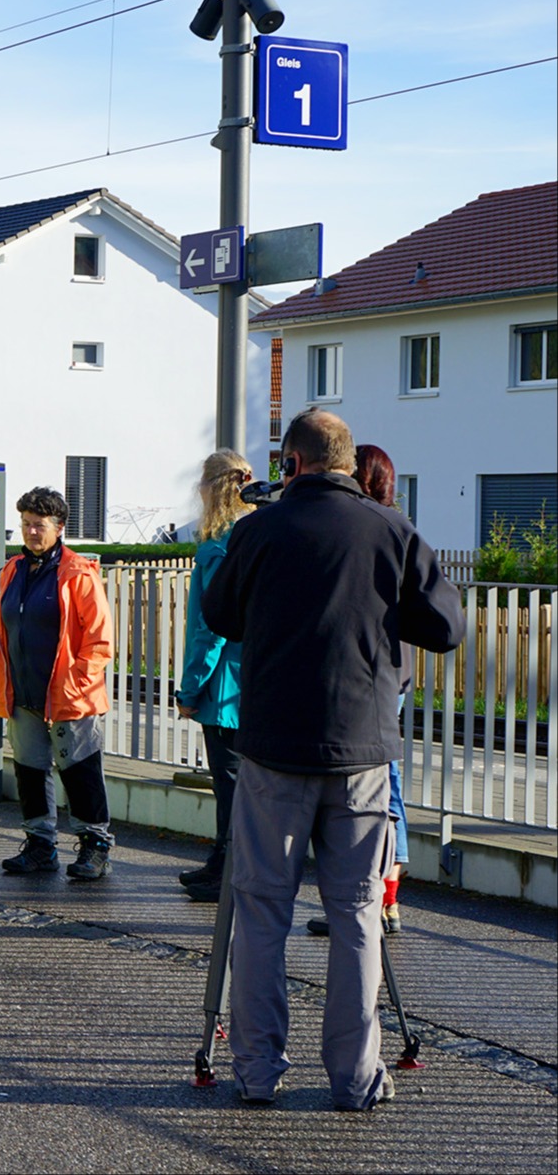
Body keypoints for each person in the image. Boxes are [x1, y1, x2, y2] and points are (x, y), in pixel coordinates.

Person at [202, 408, 463, 1111]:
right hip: (359, 756)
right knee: (353, 914)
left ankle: (255, 1072)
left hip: (272, 752)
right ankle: (354, 1079)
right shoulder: (391, 531)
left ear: (291, 464)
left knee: (261, 912)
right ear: (348, 464)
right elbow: (446, 626)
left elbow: (220, 613)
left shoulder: (257, 530)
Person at [308, 443, 415, 936]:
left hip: (370, 678)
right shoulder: (396, 532)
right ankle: (381, 899)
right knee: (386, 788)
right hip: (389, 673)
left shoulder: (366, 530)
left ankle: (376, 902)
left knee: (380, 791)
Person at [0, 487, 116, 880]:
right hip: (23, 691)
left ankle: (96, 846)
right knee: (29, 769)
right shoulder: (14, 570)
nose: (30, 532)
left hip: (68, 693)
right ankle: (41, 845)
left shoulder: (78, 574)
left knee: (80, 770)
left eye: (38, 525)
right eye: (25, 524)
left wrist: (76, 683)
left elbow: (99, 640)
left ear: (59, 528)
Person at [175, 450, 256, 903]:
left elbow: (210, 629)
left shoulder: (218, 545)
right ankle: (222, 864)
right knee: (243, 785)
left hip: (224, 688)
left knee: (230, 784)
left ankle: (225, 870)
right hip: (253, 680)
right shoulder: (255, 533)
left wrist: (189, 690)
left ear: (210, 488)